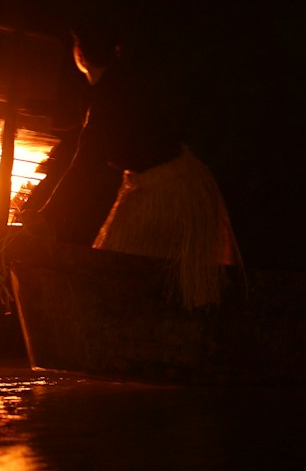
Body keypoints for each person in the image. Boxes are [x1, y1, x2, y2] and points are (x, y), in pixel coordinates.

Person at [22, 23, 239, 308]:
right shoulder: (118, 83)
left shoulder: (108, 96)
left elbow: (85, 163)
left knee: (117, 268)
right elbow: (97, 129)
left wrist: (46, 215)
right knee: (145, 275)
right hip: (176, 183)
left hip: (168, 194)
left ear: (80, 54)